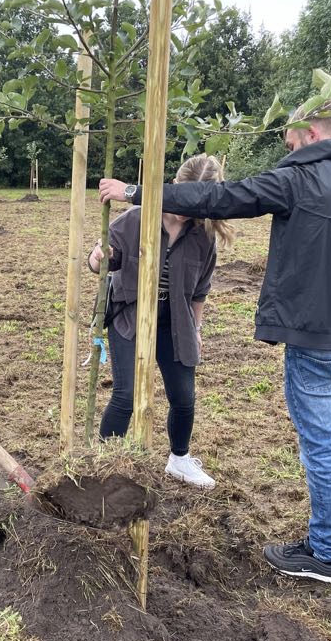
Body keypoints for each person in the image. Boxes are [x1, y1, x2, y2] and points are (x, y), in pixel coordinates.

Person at [99, 100, 331, 584]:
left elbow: (222, 199)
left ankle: (325, 553)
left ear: (312, 134)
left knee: (322, 441)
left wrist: (137, 190)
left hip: (310, 335)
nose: (289, 150)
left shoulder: (298, 179)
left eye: (292, 142)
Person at [88, 155, 234, 490]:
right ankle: (103, 466)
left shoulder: (203, 236)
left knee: (184, 397)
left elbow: (200, 291)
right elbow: (102, 265)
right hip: (130, 316)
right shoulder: (135, 219)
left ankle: (179, 461)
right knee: (125, 396)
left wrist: (196, 330)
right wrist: (99, 258)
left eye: (196, 202)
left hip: (176, 322)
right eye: (183, 196)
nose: (186, 207)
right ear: (173, 187)